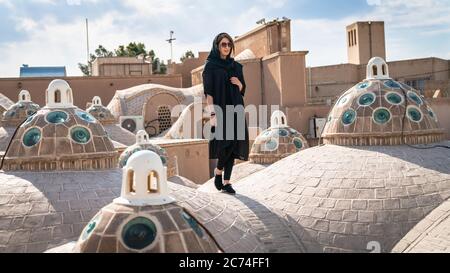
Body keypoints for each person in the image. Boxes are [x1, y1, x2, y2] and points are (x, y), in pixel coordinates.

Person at [202, 32, 249, 195]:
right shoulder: (210, 66)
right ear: (217, 46)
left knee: (234, 144)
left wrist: (239, 84)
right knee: (225, 144)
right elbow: (209, 94)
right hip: (220, 109)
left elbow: (243, 89)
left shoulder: (236, 66)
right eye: (223, 44)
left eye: (229, 44)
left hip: (237, 108)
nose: (227, 47)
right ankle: (218, 171)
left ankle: (227, 182)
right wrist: (212, 115)